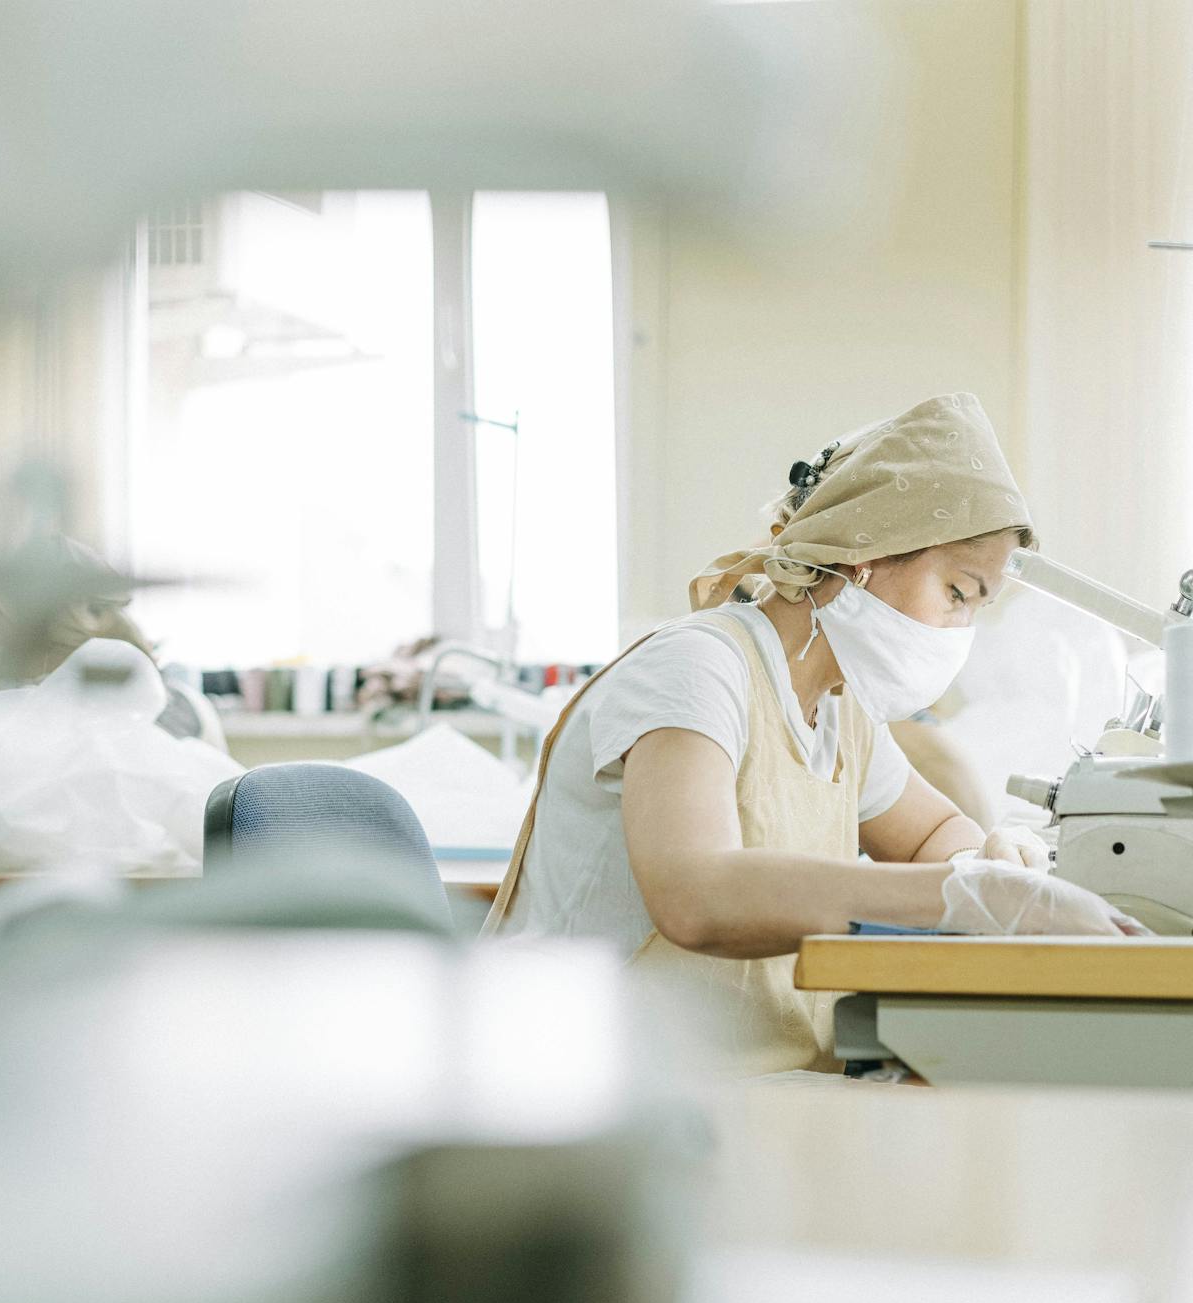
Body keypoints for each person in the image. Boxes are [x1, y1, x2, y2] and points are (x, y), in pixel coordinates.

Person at [485, 393, 1143, 1074]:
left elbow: (925, 835)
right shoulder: (696, 668)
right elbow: (696, 896)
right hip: (594, 1082)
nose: (960, 632)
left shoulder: (838, 707)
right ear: (868, 553)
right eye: (956, 593)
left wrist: (988, 856)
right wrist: (966, 896)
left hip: (742, 1076)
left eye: (978, 607)